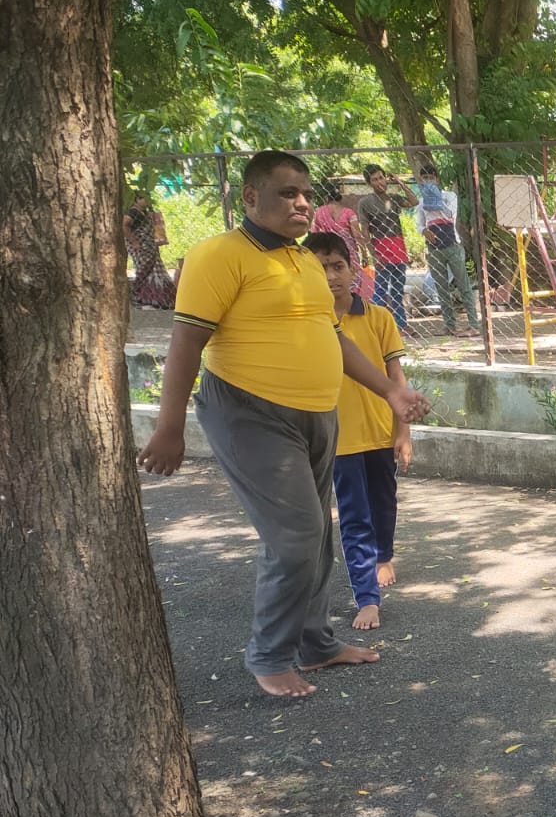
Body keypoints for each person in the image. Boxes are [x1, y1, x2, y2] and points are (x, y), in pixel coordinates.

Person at [137, 150, 430, 699]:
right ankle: (269, 655)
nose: (301, 203)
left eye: (307, 194)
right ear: (250, 197)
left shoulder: (303, 262)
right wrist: (168, 425)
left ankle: (315, 644)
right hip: (250, 413)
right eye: (287, 193)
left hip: (316, 413)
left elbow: (333, 337)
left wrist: (390, 390)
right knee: (295, 538)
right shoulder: (218, 255)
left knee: (317, 537)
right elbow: (187, 341)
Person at [304, 232, 411, 632]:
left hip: (380, 432)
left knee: (384, 504)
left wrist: (403, 432)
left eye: (338, 266)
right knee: (354, 516)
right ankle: (366, 597)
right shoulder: (307, 322)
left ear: (354, 269)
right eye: (320, 268)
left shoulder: (379, 317)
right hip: (339, 439)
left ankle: (383, 555)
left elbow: (396, 378)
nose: (331, 276)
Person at [415, 162, 480, 336]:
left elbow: (451, 215)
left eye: (431, 178)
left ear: (437, 179)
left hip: (452, 245)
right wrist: (424, 231)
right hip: (434, 248)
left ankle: (473, 325)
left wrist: (435, 198)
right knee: (441, 287)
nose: (428, 182)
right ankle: (449, 325)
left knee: (463, 285)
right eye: (425, 179)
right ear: (421, 181)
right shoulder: (421, 203)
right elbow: (419, 224)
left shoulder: (449, 196)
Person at [357, 164, 417, 334]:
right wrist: (373, 254)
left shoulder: (394, 198)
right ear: (369, 183)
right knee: (380, 291)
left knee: (398, 289)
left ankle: (401, 325)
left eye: (381, 178)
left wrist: (400, 182)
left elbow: (414, 201)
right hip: (381, 247)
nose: (379, 182)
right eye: (374, 180)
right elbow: (364, 230)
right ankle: (376, 326)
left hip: (398, 247)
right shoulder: (365, 203)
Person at [311, 181, 374, 301]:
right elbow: (357, 235)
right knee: (352, 280)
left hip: (326, 253)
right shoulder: (349, 213)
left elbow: (314, 233)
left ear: (326, 197)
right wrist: (364, 255)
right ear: (339, 196)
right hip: (347, 254)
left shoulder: (319, 212)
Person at [125, 192, 176, 309]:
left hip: (150, 246)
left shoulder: (146, 212)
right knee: (144, 269)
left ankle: (157, 299)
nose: (147, 201)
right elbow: (125, 225)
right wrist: (134, 241)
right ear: (137, 199)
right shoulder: (133, 212)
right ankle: (141, 297)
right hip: (140, 246)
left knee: (155, 271)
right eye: (145, 199)